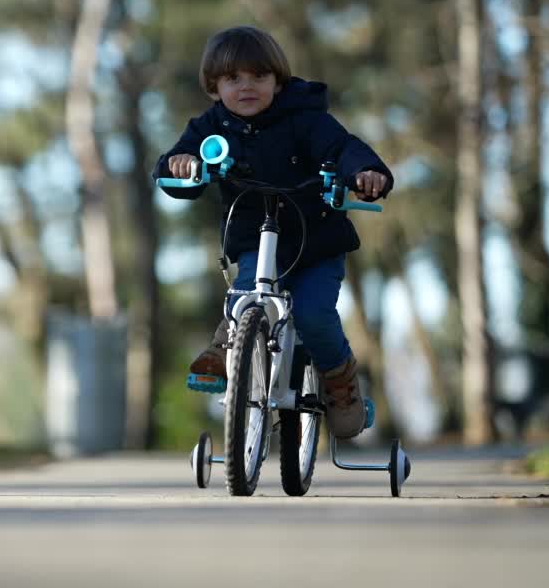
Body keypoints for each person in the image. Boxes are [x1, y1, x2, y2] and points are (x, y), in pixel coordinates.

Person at [153, 25, 393, 439]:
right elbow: (178, 160)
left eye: (258, 77)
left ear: (277, 82)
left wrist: (364, 173)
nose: (246, 87)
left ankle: (339, 382)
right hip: (256, 240)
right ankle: (232, 342)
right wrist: (181, 165)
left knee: (315, 314)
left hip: (316, 243)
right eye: (232, 79)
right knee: (247, 294)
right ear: (214, 88)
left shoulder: (305, 119)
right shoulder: (212, 125)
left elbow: (344, 149)